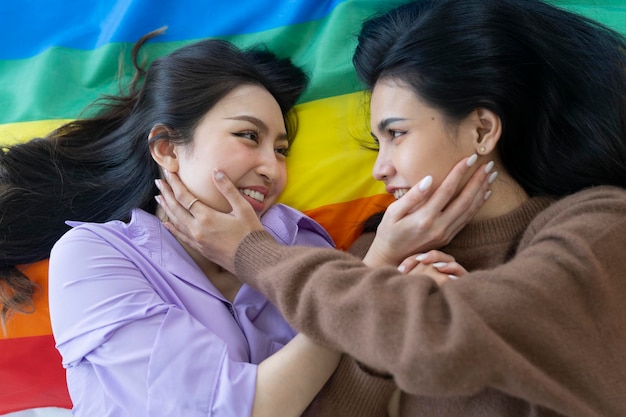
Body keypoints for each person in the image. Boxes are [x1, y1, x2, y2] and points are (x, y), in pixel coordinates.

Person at [155, 0, 626, 416]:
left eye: (396, 133)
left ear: (482, 130)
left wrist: (251, 251)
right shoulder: (371, 261)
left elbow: (441, 337)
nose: (380, 169)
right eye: (376, 142)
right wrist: (381, 303)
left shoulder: (599, 226)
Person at [2, 30, 344, 416]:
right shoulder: (91, 256)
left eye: (281, 150)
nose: (272, 168)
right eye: (248, 136)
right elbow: (236, 409)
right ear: (167, 148)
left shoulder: (296, 235)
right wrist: (348, 306)